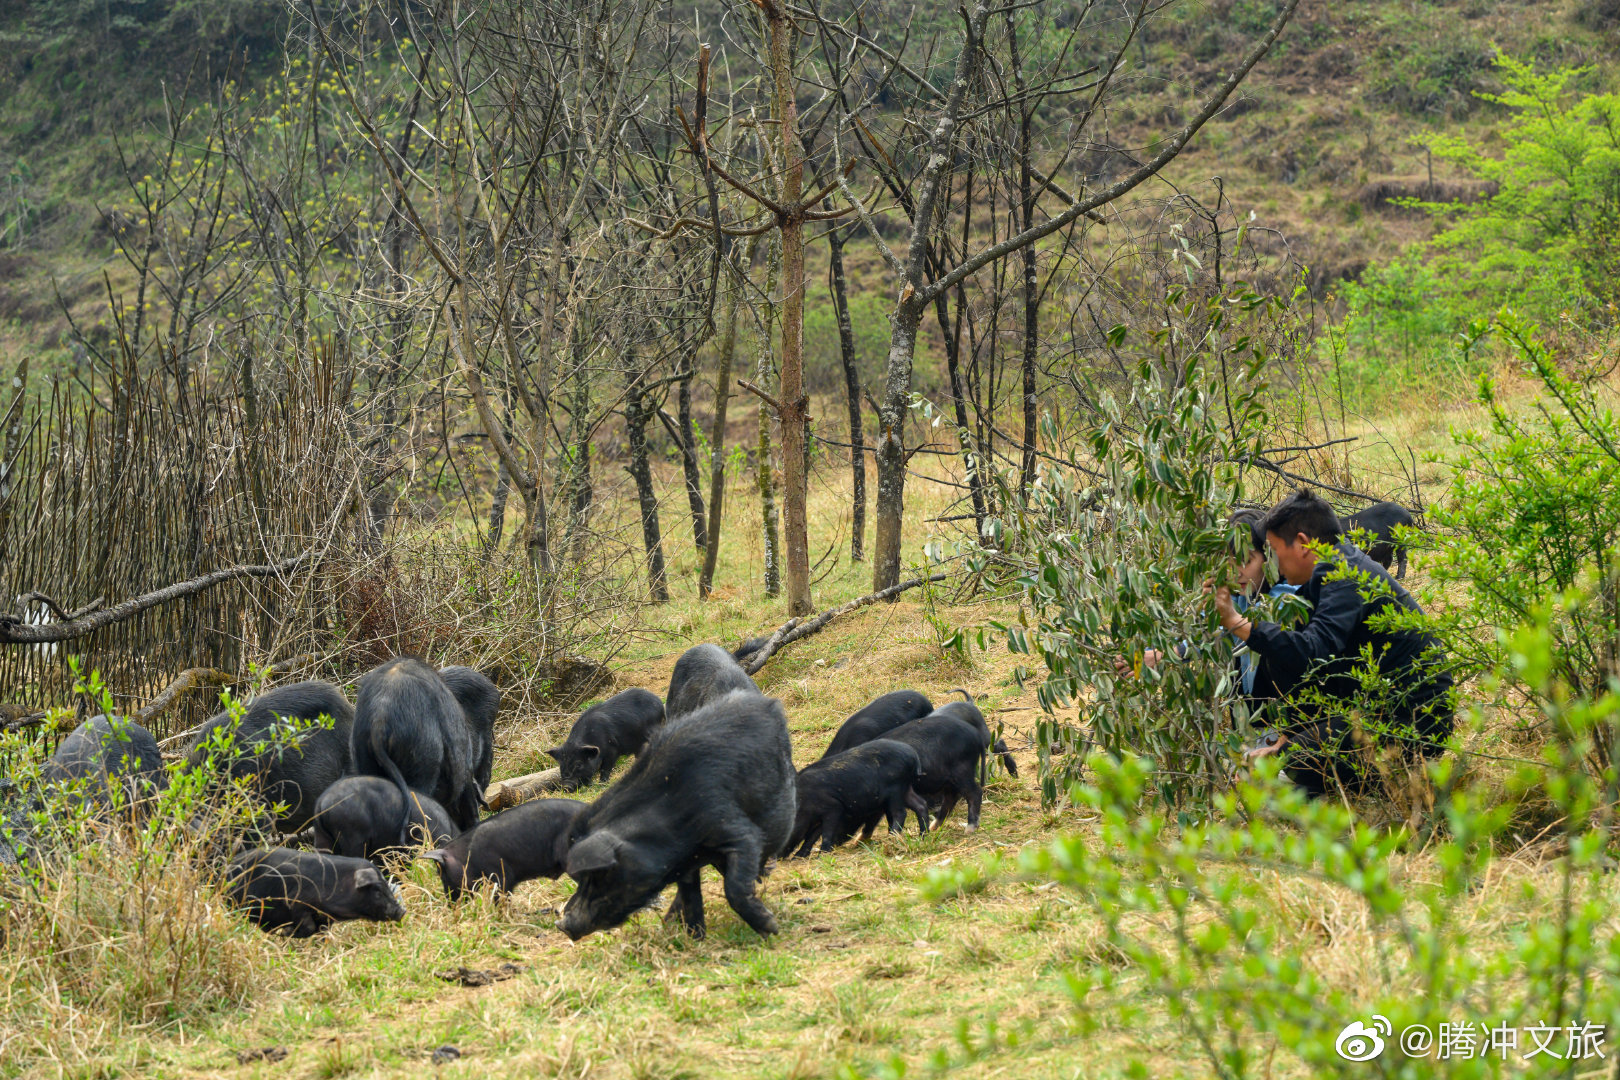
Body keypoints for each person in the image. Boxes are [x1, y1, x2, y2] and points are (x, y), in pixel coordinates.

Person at [1212, 489, 1454, 797]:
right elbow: (1308, 662)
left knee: (1300, 762)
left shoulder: (1343, 573)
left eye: (1274, 550)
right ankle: (1298, 759)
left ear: (1302, 543)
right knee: (1281, 660)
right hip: (1379, 707)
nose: (1274, 563)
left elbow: (1313, 652)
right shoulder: (1329, 570)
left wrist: (1237, 623)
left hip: (1415, 721)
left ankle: (1338, 780)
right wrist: (1286, 738)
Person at [1116, 509, 1297, 693]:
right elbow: (1201, 631)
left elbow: (1262, 629)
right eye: (1227, 563)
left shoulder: (1290, 592)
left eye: (1245, 561)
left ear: (1269, 557)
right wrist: (1149, 653)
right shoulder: (1239, 594)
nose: (1236, 573)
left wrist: (1169, 653)